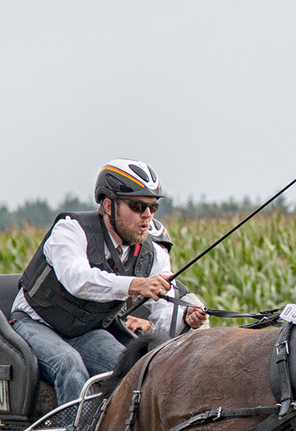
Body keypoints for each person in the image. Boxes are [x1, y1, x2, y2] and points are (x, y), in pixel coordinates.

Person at [11, 160, 207, 405]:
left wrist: (186, 318)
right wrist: (135, 284)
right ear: (108, 205)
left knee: (136, 369)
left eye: (153, 207)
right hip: (36, 321)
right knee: (69, 366)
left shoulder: (154, 255)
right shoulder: (71, 230)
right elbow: (77, 280)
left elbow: (163, 315)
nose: (147, 215)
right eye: (138, 206)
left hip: (85, 331)